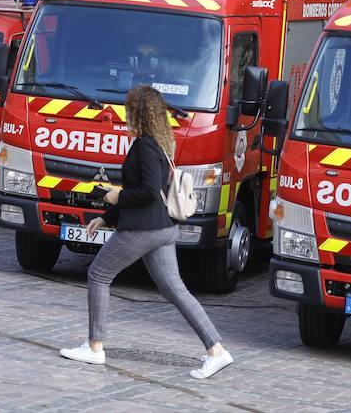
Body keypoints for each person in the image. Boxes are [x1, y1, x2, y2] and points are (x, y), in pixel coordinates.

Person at [59, 85, 234, 381]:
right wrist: (106, 217)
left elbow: (149, 192)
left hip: (143, 229)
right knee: (175, 290)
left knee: (99, 274)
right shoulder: (160, 144)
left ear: (138, 113)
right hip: (162, 229)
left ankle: (95, 346)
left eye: (128, 109)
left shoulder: (144, 146)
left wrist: (116, 197)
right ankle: (216, 350)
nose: (124, 114)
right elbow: (147, 190)